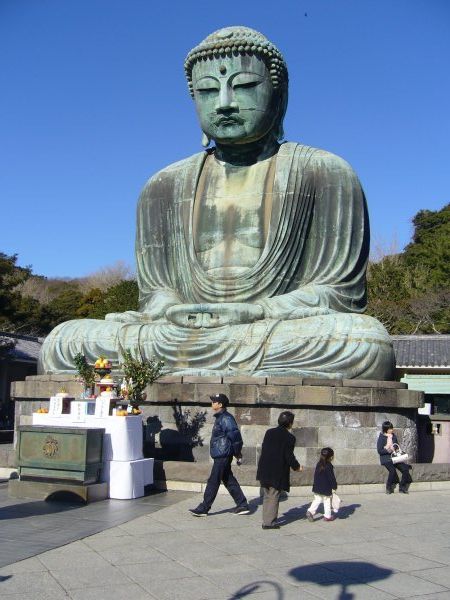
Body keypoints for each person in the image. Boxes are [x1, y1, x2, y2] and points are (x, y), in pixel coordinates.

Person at [39, 26, 395, 381]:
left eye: (243, 86)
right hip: (178, 331)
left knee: (364, 342)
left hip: (271, 328)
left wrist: (257, 312)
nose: (224, 102)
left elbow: (338, 292)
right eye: (208, 91)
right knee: (64, 342)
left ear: (279, 96)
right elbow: (156, 292)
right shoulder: (162, 186)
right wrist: (173, 311)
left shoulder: (325, 171)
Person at [189, 393, 249, 516]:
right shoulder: (221, 418)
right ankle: (242, 504)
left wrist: (237, 453)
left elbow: (235, 436)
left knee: (213, 480)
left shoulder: (226, 418)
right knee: (228, 479)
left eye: (214, 401)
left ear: (220, 404)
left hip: (223, 454)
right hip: (222, 453)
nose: (212, 403)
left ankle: (204, 508)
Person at [256, 410, 302, 529]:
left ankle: (266, 519)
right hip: (276, 470)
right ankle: (269, 523)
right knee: (273, 495)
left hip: (264, 467)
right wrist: (297, 466)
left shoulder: (269, 432)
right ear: (290, 424)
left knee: (267, 494)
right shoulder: (289, 437)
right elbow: (289, 455)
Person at [377, 420, 412, 494]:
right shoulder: (381, 437)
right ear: (386, 429)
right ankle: (388, 487)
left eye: (392, 428)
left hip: (395, 457)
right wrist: (388, 450)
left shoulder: (394, 436)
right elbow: (380, 450)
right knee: (392, 471)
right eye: (390, 429)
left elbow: (396, 445)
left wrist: (394, 448)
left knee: (405, 469)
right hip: (386, 458)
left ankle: (402, 487)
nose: (391, 430)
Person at [306, 447, 338, 522]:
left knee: (317, 499)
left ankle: (310, 511)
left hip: (317, 486)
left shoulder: (319, 464)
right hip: (326, 488)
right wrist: (334, 486)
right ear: (331, 457)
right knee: (327, 501)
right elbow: (331, 478)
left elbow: (315, 476)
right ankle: (327, 516)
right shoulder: (329, 465)